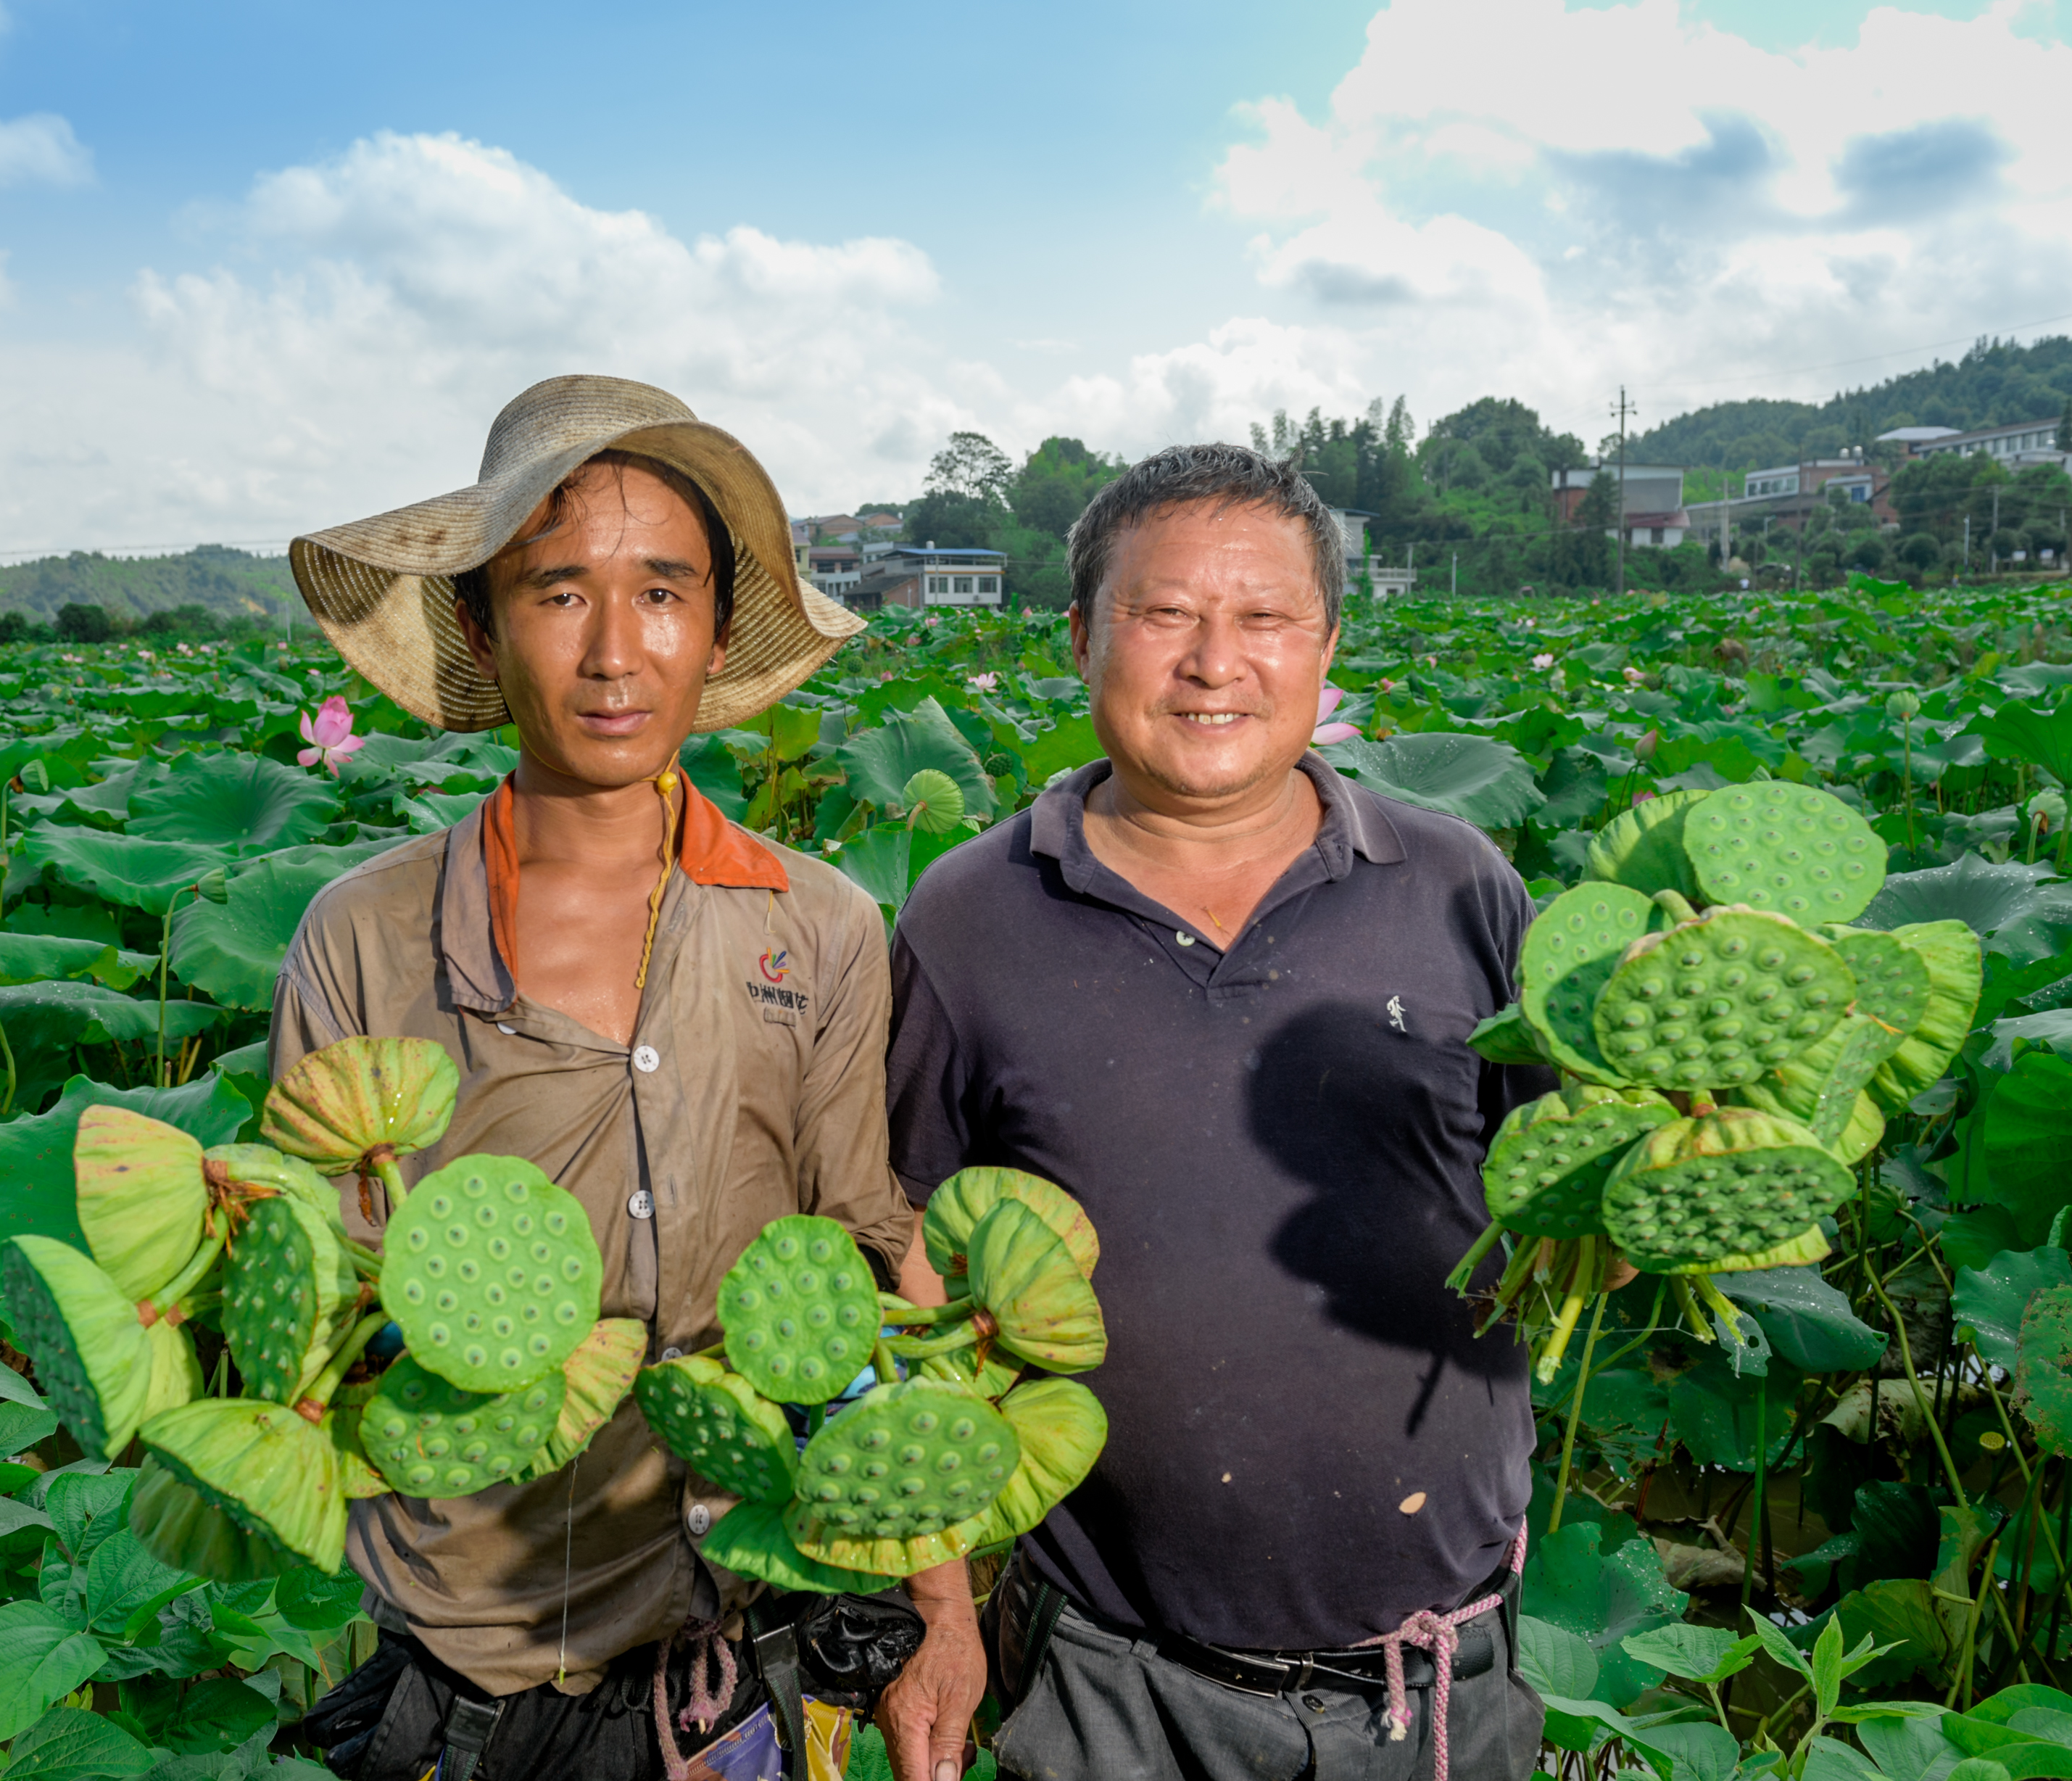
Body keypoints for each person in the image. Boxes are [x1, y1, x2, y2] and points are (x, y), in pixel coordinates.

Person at [271, 376, 968, 1780]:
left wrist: (942, 1604)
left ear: (714, 630)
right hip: (468, 1668)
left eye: (661, 592)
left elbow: (869, 1251)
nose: (613, 652)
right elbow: (316, 1315)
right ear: (478, 620)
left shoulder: (820, 924)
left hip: (747, 1658)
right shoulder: (360, 935)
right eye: (556, 591)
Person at [884, 444, 1557, 1781]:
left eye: (1263, 619)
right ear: (1081, 636)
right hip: (1108, 1677)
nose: (1214, 663)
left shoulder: (1459, 885)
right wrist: (944, 1615)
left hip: (1434, 1680)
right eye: (1165, 614)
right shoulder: (966, 918)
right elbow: (909, 1272)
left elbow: (1561, 1186)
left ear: (1326, 645)